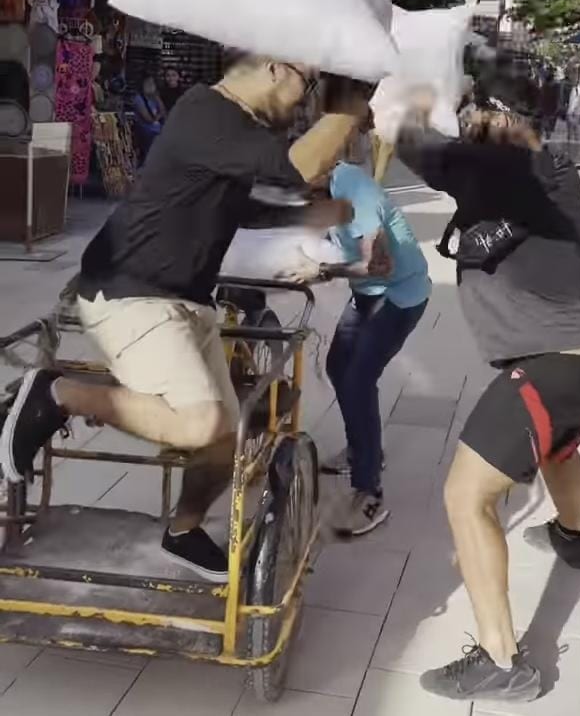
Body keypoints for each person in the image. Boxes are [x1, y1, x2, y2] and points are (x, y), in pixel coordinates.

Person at [0, 53, 368, 581]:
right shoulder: (208, 111)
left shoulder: (231, 128)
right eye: (306, 86)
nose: (303, 102)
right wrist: (351, 107)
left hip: (185, 300)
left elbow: (239, 208)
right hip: (130, 292)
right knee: (201, 422)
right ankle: (57, 393)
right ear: (274, 67)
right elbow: (294, 169)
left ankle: (184, 530)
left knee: (225, 436)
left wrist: (312, 214)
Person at [394, 58, 580, 705]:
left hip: (553, 367)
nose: (466, 124)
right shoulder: (530, 170)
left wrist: (408, 101)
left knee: (467, 497)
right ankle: (572, 537)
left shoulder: (521, 169)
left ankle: (501, 662)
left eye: (475, 114)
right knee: (557, 449)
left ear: (503, 118)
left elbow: (418, 148)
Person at [288, 160, 431, 536]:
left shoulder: (355, 192)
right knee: (338, 366)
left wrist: (322, 271)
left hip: (399, 295)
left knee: (358, 380)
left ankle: (370, 492)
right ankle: (364, 450)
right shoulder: (322, 187)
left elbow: (380, 265)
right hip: (367, 295)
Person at [132, 74, 166, 162]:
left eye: (152, 83)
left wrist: (157, 97)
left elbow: (163, 112)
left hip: (157, 130)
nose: (150, 85)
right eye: (147, 83)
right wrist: (158, 116)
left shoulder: (154, 97)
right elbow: (148, 119)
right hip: (146, 131)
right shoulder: (138, 99)